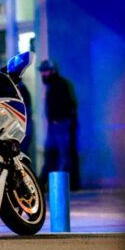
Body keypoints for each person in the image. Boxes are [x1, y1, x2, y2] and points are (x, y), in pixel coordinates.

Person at [39, 59, 80, 191]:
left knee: (64, 156)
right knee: (53, 155)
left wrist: (58, 120)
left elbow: (67, 106)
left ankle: (66, 185)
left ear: (52, 71)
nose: (42, 74)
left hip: (62, 125)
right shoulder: (53, 86)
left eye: (44, 71)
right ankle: (47, 184)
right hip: (57, 126)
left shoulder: (59, 85)